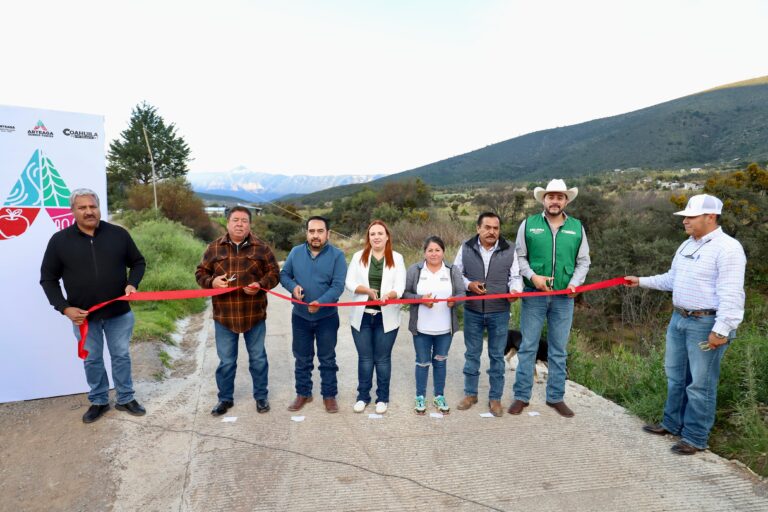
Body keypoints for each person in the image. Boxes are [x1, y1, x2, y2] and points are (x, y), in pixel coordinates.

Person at [625, 194, 745, 455]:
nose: (685, 221)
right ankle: (671, 424)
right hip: (679, 319)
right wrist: (640, 281)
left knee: (700, 383)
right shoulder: (686, 245)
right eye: (685, 217)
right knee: (676, 377)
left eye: (691, 217)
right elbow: (671, 280)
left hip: (706, 323)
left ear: (710, 217)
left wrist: (721, 330)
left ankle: (695, 437)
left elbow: (732, 294)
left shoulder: (729, 248)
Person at [40, 189, 147, 424]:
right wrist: (64, 308)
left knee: (120, 356)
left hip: (119, 314)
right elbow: (48, 279)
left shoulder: (118, 235)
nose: (89, 211)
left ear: (99, 208)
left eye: (92, 206)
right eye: (82, 207)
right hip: (84, 317)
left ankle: (125, 398)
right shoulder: (59, 242)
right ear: (73, 211)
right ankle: (99, 400)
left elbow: (138, 262)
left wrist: (132, 284)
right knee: (92, 359)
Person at [510, 179, 590, 418]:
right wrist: (533, 277)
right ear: (543, 199)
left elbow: (583, 261)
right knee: (527, 347)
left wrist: (575, 283)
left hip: (564, 299)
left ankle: (555, 397)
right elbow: (519, 257)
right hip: (534, 295)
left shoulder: (577, 227)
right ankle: (521, 397)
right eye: (551, 197)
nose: (555, 201)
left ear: (566, 200)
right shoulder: (528, 224)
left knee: (558, 349)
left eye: (560, 197)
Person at [196, 206, 280, 416]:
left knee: (258, 358)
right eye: (236, 220)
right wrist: (212, 281)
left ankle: (261, 397)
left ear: (249, 224)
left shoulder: (262, 248)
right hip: (224, 316)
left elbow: (274, 274)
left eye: (244, 220)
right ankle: (225, 399)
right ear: (228, 223)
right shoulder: (214, 248)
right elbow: (200, 273)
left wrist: (261, 284)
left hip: (254, 314)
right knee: (226, 361)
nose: (240, 224)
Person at [453, 212, 522, 417]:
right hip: (473, 311)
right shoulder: (466, 247)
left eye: (496, 228)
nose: (492, 232)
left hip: (499, 311)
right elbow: (456, 273)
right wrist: (469, 285)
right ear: (478, 228)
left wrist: (514, 291)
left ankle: (495, 399)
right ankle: (470, 394)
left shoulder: (509, 249)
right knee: (472, 354)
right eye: (488, 227)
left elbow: (515, 276)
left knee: (496, 357)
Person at [279, 216, 347, 413]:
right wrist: (293, 287)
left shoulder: (337, 255)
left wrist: (321, 302)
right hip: (300, 316)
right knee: (302, 358)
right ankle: (303, 393)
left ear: (328, 233)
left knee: (327, 359)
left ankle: (329, 395)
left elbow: (338, 285)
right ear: (306, 233)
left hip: (327, 317)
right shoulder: (295, 252)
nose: (315, 235)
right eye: (311, 231)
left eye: (319, 231)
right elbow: (284, 275)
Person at [345, 220, 406, 414]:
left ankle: (383, 398)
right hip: (362, 316)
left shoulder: (397, 258)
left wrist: (390, 295)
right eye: (373, 234)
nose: (377, 237)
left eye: (380, 233)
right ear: (368, 238)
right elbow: (349, 283)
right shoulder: (358, 257)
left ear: (387, 236)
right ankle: (363, 396)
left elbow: (400, 286)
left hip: (386, 318)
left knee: (382, 359)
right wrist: (367, 291)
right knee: (364, 359)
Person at [403, 236, 465, 414]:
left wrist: (455, 301)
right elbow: (405, 294)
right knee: (422, 362)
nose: (434, 253)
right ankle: (420, 397)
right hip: (421, 328)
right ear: (424, 252)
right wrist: (421, 299)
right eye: (430, 250)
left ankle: (439, 395)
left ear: (443, 252)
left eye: (437, 250)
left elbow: (461, 293)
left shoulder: (452, 271)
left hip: (445, 329)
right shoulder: (415, 270)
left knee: (440, 362)